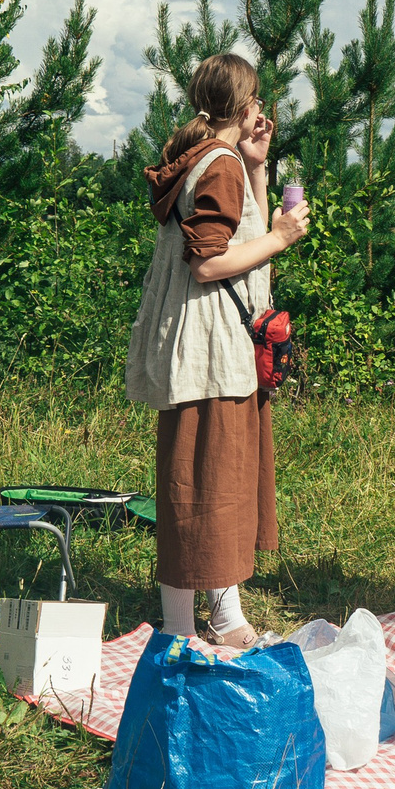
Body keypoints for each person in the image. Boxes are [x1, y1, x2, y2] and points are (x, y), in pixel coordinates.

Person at [124, 53, 311, 646]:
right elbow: (210, 263)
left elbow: (239, 236)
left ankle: (225, 616)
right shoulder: (218, 165)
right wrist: (281, 237)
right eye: (256, 99)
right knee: (195, 484)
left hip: (207, 346)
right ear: (241, 104)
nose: (262, 110)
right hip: (208, 348)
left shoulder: (214, 159)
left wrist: (258, 166)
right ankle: (179, 633)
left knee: (215, 482)